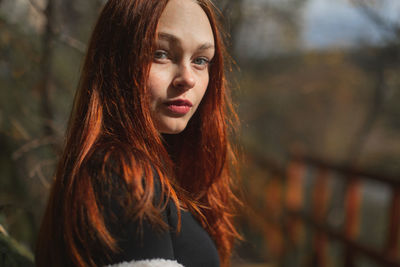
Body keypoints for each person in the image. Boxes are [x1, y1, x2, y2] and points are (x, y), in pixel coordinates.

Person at [35, 0, 241, 266]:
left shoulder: (152, 174)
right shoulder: (122, 176)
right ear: (117, 60)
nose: (188, 78)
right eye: (161, 54)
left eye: (200, 60)